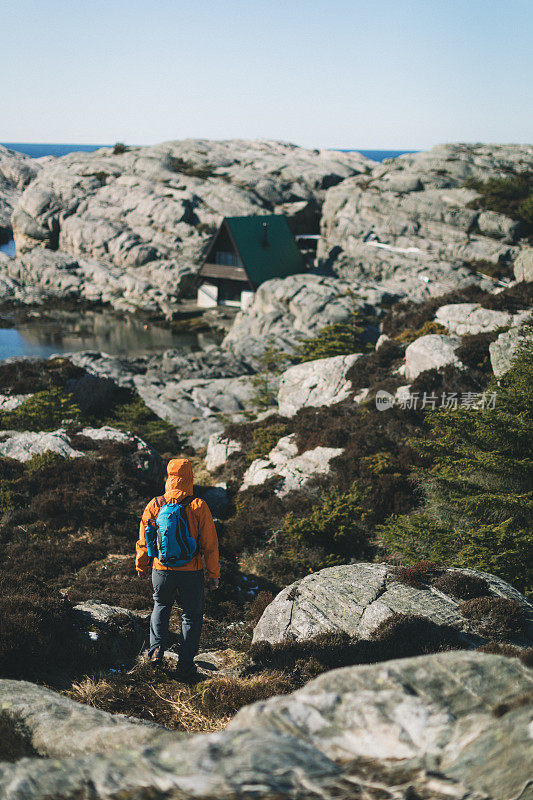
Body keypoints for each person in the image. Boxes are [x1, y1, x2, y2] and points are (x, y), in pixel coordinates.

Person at [136, 458, 220, 680]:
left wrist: (141, 564)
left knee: (161, 606)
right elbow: (210, 545)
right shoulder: (198, 506)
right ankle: (185, 664)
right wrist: (213, 574)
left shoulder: (155, 504)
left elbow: (144, 539)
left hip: (161, 569)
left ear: (168, 477)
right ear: (190, 478)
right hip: (191, 571)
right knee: (191, 616)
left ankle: (155, 652)